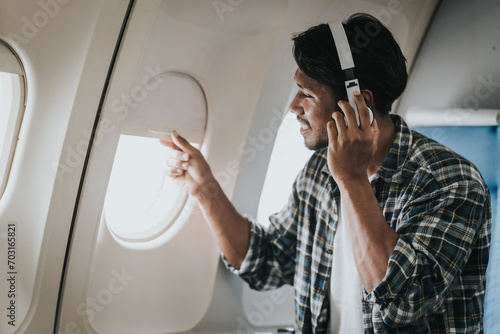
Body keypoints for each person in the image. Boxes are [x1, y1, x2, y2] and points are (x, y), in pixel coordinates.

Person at [160, 13, 491, 333]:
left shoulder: (451, 181)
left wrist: (352, 179)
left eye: (307, 94)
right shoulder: (321, 169)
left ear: (357, 102)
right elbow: (268, 261)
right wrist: (206, 190)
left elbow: (401, 302)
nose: (293, 107)